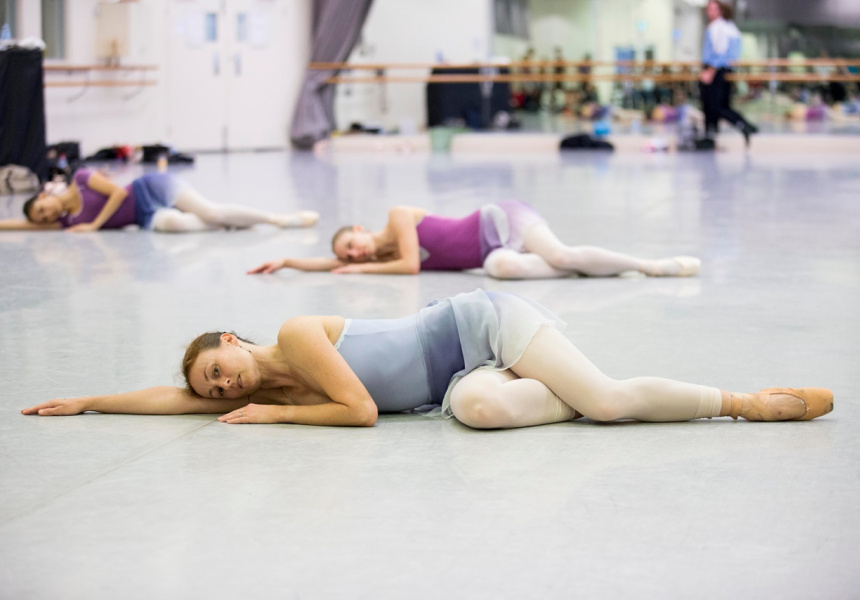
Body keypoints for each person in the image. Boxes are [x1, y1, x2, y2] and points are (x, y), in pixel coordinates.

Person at [21, 289, 834, 428]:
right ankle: (564, 394)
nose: (220, 387)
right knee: (477, 411)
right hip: (459, 384)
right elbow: (171, 400)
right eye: (214, 390)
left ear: (231, 340)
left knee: (611, 403)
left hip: (481, 326)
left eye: (216, 371)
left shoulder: (296, 336)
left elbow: (361, 412)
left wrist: (269, 414)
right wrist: (90, 401)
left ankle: (746, 402)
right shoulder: (275, 392)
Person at [247, 202, 701, 279]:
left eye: (352, 245)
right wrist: (287, 260)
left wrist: (360, 270)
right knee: (500, 269)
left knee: (562, 254)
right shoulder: (378, 257)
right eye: (349, 254)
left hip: (500, 221)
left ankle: (649, 265)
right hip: (491, 253)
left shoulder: (397, 217)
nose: (354, 255)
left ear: (360, 231)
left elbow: (410, 266)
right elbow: (330, 266)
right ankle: (586, 271)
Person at [0, 168, 319, 233]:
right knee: (176, 224)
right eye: (44, 218)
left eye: (42, 209)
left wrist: (95, 225)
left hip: (150, 188)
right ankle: (232, 224)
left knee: (210, 212)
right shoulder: (67, 221)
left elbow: (118, 192)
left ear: (44, 196)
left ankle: (278, 219)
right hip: (143, 217)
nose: (48, 215)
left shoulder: (81, 179)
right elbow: (19, 225)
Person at [699, 0, 758, 146]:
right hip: (726, 69)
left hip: (716, 69)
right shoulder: (731, 27)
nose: (709, 12)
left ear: (721, 11)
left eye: (713, 9)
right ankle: (743, 125)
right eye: (709, 9)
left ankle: (718, 132)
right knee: (722, 105)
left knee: (713, 106)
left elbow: (720, 50)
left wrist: (710, 71)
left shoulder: (717, 27)